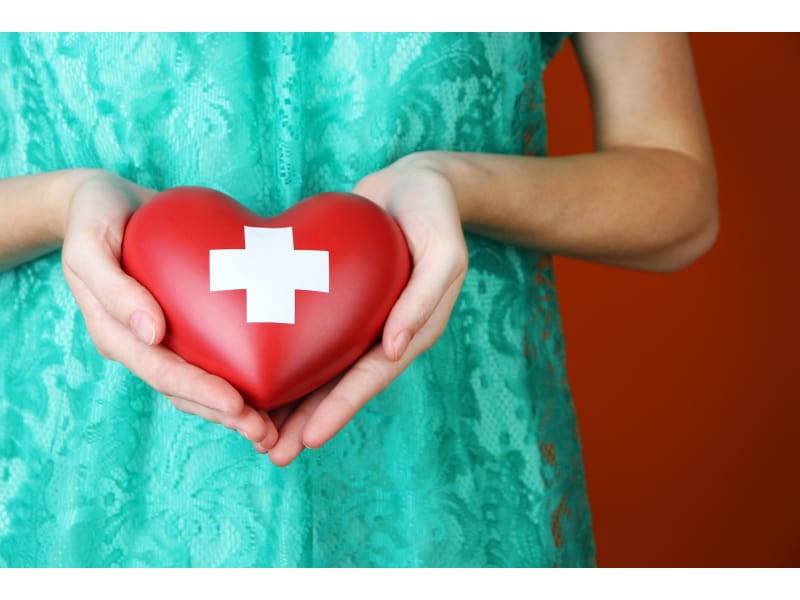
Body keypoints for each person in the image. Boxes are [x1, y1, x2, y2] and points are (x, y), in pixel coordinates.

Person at [0, 32, 717, 567]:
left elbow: (679, 191)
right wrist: (62, 205)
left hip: (449, 502)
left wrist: (456, 181)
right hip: (84, 503)